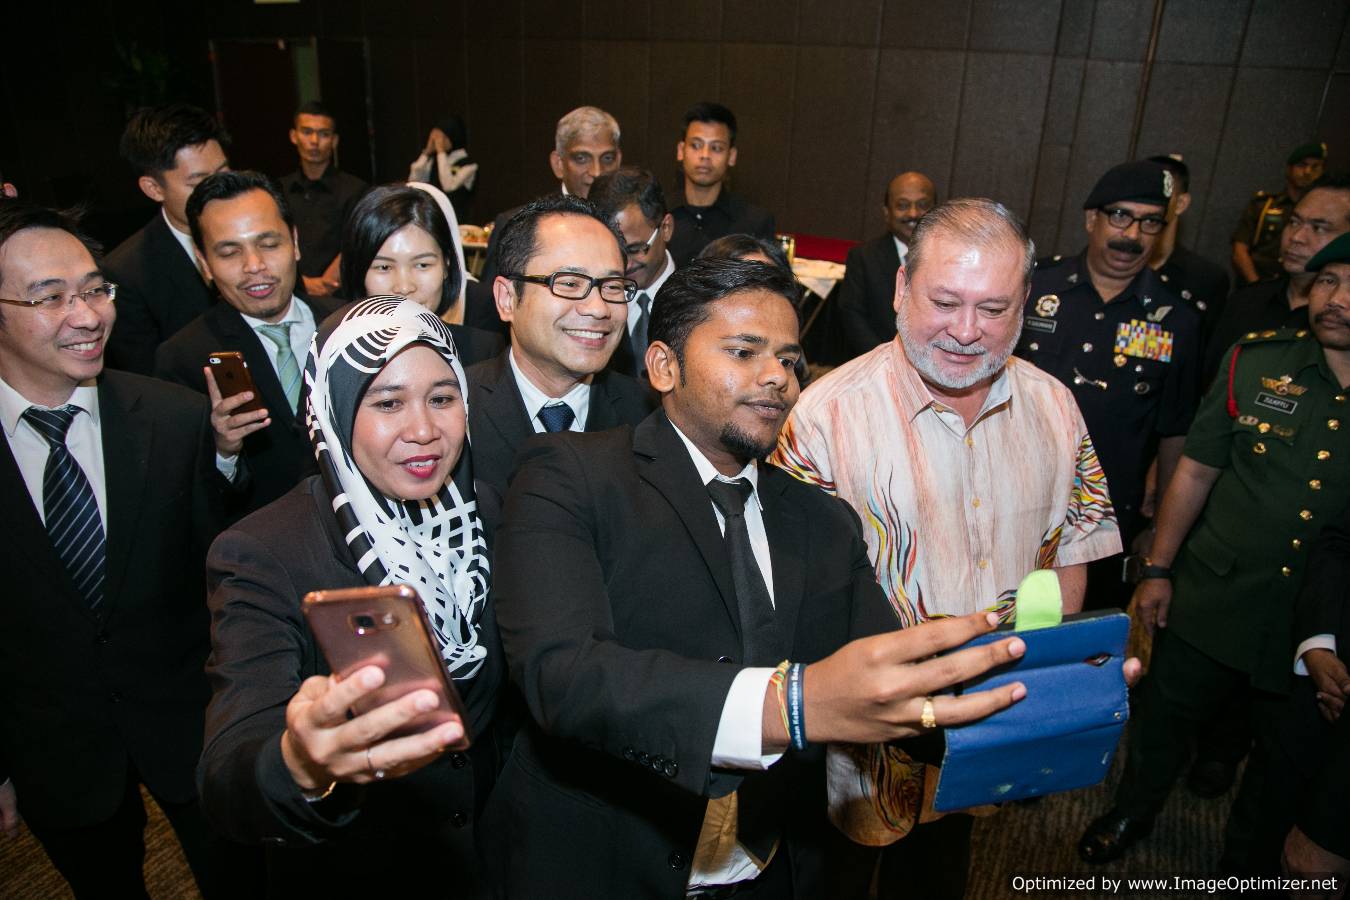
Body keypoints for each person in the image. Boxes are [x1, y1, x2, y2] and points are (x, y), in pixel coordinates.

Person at [480, 256, 1040, 897]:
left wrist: (1030, 708)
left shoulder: (823, 521)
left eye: (790, 360)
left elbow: (894, 683)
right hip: (600, 868)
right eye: (744, 352)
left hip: (771, 869)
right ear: (664, 366)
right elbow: (565, 676)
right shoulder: (571, 475)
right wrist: (790, 706)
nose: (778, 377)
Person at [772, 198, 1121, 899]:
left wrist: (1041, 683)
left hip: (995, 714)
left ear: (1025, 303)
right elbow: (792, 594)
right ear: (902, 288)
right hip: (863, 742)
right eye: (945, 302)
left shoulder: (1055, 406)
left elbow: (1075, 546)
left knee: (941, 871)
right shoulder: (823, 416)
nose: (966, 331)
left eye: (993, 309)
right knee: (837, 877)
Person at [198, 297, 503, 896]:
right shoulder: (263, 551)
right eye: (387, 403)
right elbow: (227, 770)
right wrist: (299, 762)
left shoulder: (483, 512)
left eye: (442, 398)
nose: (424, 430)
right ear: (333, 410)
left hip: (490, 858)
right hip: (361, 871)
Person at [1078, 231, 1350, 870]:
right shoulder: (1255, 361)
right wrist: (1159, 568)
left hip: (1317, 621)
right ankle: (1131, 811)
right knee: (1164, 716)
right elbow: (1196, 471)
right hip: (1216, 588)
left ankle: (1246, 863)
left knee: (1284, 758)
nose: (1337, 299)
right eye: (1328, 281)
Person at [0, 203, 233, 897]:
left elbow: (219, 585)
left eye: (95, 289)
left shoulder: (173, 419)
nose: (87, 316)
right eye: (50, 298)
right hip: (54, 751)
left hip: (191, 726)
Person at [1016, 159, 1201, 610]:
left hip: (1107, 525)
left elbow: (1176, 433)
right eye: (1120, 216)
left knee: (1082, 637)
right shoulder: (1034, 289)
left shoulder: (1177, 319)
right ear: (1091, 219)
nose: (1132, 235)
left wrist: (1158, 532)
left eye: (1150, 222)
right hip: (1015, 500)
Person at [154, 171, 343, 519]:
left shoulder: (347, 323)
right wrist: (223, 451)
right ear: (204, 263)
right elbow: (184, 499)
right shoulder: (182, 359)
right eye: (229, 252)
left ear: (295, 242)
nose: (254, 266)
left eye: (269, 244)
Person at [467, 194, 652, 496]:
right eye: (569, 283)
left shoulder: (651, 416)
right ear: (507, 298)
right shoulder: (456, 411)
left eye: (612, 286)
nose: (598, 308)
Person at [467, 106, 623, 335]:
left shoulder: (629, 225)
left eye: (607, 158)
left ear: (619, 159)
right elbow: (490, 320)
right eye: (582, 158)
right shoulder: (517, 224)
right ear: (558, 163)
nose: (596, 171)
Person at [104, 103, 230, 375]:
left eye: (223, 173)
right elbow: (151, 378)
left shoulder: (263, 232)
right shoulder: (127, 274)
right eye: (198, 183)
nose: (218, 191)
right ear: (153, 188)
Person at [1205, 174, 1350, 385]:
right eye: (1294, 222)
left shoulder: (1336, 320)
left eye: (1319, 228)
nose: (1296, 237)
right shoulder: (1245, 301)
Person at [338, 182, 503, 366]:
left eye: (422, 265)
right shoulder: (332, 354)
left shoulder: (482, 353)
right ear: (357, 271)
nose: (404, 287)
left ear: (446, 265)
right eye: (384, 267)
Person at [836, 172, 937, 359]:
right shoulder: (864, 257)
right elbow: (852, 317)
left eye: (922, 205)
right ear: (887, 212)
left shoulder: (950, 260)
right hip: (876, 363)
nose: (913, 213)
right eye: (902, 206)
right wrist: (886, 360)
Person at [589, 167, 676, 378]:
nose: (624, 265)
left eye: (635, 249)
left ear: (666, 228)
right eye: (615, 252)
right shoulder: (589, 304)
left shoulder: (703, 296)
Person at [667, 102, 776, 266]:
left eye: (716, 148)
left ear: (731, 156)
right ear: (681, 151)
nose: (705, 155)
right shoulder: (660, 216)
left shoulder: (755, 223)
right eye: (696, 145)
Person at [281, 100, 368, 299]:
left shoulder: (355, 189)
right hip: (291, 292)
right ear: (294, 136)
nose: (314, 141)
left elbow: (359, 240)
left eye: (323, 134)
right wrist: (301, 282)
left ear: (334, 140)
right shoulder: (280, 189)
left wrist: (328, 282)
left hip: (342, 295)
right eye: (307, 132)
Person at [1146, 155, 1230, 335]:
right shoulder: (1118, 265)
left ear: (1180, 203)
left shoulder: (1206, 278)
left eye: (1160, 194)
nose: (1147, 205)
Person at [1232, 141, 1327, 285]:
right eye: (1302, 165)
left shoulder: (1323, 214)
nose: (1308, 172)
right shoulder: (1264, 205)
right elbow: (1239, 251)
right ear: (1289, 169)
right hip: (1256, 281)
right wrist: (1256, 286)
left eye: (1315, 167)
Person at [407, 115, 478, 223]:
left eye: (442, 137)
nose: (438, 141)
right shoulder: (434, 160)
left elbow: (448, 185)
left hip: (457, 221)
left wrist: (441, 152)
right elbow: (413, 181)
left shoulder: (469, 164)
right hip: (433, 219)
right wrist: (427, 152)